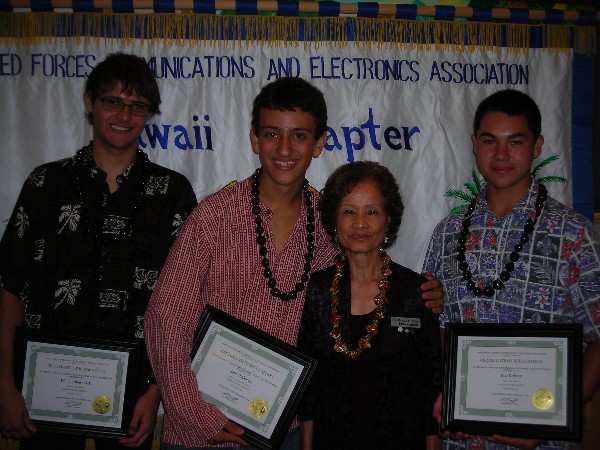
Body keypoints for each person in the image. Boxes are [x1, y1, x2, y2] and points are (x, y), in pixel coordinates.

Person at [144, 76, 444, 449]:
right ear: (254, 138)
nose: (284, 148)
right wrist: (195, 414)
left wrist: (422, 294)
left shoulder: (331, 224)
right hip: (204, 428)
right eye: (272, 134)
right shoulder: (213, 217)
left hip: (285, 429)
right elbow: (166, 318)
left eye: (300, 135)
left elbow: (369, 287)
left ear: (319, 143)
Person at [0, 52, 197, 450]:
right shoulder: (45, 184)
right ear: (90, 101)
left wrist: (158, 391)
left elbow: (186, 301)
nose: (124, 115)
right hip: (42, 392)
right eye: (113, 101)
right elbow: (9, 286)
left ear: (148, 115)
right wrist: (3, 385)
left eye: (137, 106)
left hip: (134, 394)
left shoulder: (173, 194)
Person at [423, 89, 600, 450]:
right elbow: (436, 329)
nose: (501, 154)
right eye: (489, 141)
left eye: (515, 141)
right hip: (463, 440)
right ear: (474, 144)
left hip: (544, 439)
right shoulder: (447, 234)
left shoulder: (574, 234)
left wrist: (553, 420)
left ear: (537, 146)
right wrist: (446, 396)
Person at [296, 161, 442, 449]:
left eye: (372, 211)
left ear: (388, 220)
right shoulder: (317, 291)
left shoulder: (417, 291)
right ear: (334, 221)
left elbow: (429, 385)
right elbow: (310, 391)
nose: (359, 223)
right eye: (348, 211)